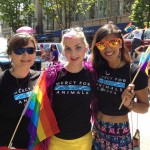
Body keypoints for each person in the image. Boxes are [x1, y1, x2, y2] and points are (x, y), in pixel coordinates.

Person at [91, 22, 149, 150]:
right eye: (101, 44)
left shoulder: (134, 73)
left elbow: (145, 107)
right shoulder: (98, 69)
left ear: (121, 43)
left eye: (112, 42)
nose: (107, 49)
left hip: (119, 133)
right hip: (97, 130)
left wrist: (130, 104)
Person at [44, 27, 97, 150]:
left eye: (78, 47)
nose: (73, 54)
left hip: (83, 141)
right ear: (63, 50)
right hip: (56, 142)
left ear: (86, 48)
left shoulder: (92, 75)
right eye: (68, 49)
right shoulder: (52, 75)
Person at [0, 33, 41, 149]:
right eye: (19, 51)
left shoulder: (42, 78)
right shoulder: (2, 81)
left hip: (35, 144)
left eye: (30, 50)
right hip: (8, 145)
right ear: (10, 54)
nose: (25, 55)